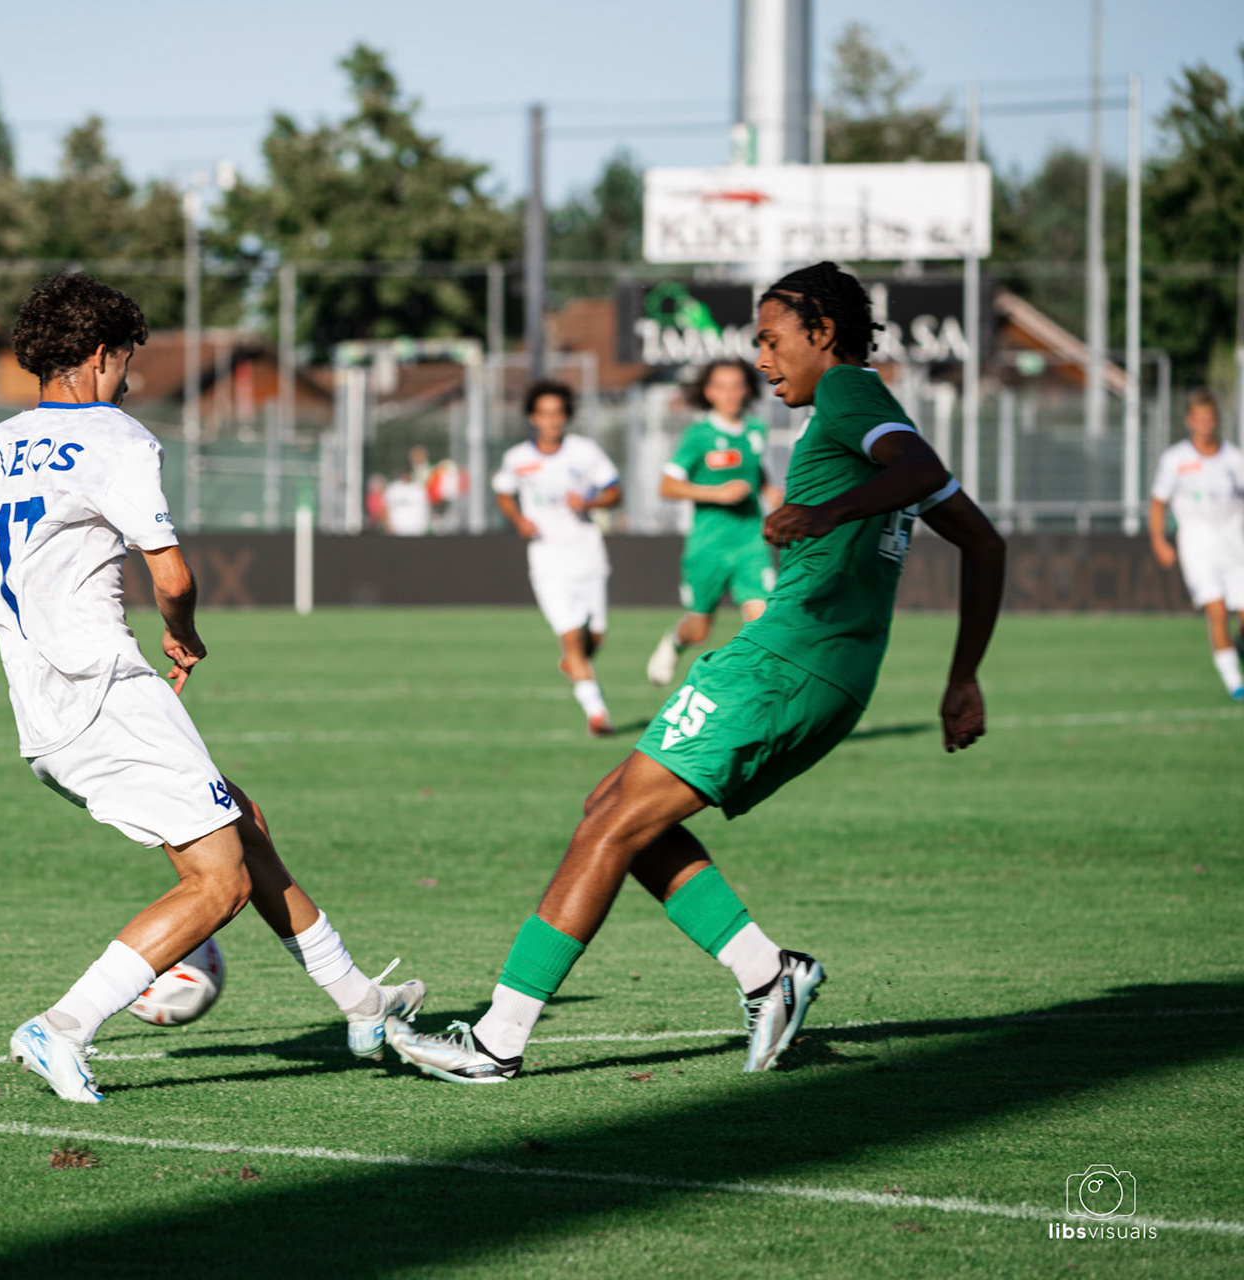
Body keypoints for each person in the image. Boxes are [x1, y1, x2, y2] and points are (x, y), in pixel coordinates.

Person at [0, 273, 423, 1103]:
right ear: (102, 355)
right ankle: (62, 1026)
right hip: (105, 690)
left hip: (45, 712)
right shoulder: (119, 439)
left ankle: (361, 1004)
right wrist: (182, 632)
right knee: (219, 882)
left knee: (242, 822)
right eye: (126, 360)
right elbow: (170, 573)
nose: (130, 378)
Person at [385, 262, 1005, 1083]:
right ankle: (767, 974)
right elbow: (984, 542)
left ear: (823, 333)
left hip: (784, 665)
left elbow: (920, 471)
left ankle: (498, 1040)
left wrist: (825, 510)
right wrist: (962, 677)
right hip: (817, 671)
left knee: (607, 827)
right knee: (612, 810)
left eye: (773, 340)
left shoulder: (853, 395)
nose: (763, 359)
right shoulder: (859, 412)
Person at [493, 380, 623, 735]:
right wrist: (518, 519)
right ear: (534, 418)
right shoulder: (518, 458)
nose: (552, 420)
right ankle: (597, 713)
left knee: (594, 637)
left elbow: (615, 491)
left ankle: (576, 664)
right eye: (545, 413)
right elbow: (503, 493)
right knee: (569, 636)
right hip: (547, 556)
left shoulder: (585, 452)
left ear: (566, 416)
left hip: (587, 550)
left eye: (559, 413)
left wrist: (591, 502)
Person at [646, 359, 782, 686]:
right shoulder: (697, 436)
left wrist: (767, 490)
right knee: (700, 630)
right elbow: (667, 486)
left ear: (747, 389)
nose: (730, 394)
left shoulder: (756, 431)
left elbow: (753, 469)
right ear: (708, 392)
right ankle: (675, 641)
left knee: (762, 621)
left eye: (737, 385)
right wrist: (715, 493)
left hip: (750, 540)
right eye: (721, 386)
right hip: (707, 545)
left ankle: (750, 691)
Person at [1148, 389, 1244, 700]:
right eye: (1198, 419)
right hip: (1198, 550)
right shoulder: (1176, 460)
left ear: (1216, 420)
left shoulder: (1234, 459)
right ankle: (1234, 683)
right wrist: (1159, 541)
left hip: (1236, 547)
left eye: (1209, 418)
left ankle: (1238, 648)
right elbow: (1158, 503)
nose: (1204, 425)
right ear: (1190, 421)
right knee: (1217, 612)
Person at [383, 465, 432, 536]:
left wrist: (423, 527)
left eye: (408, 473)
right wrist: (389, 527)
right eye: (405, 473)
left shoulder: (419, 489)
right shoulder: (393, 489)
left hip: (416, 530)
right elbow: (385, 508)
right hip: (397, 531)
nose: (406, 475)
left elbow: (426, 509)